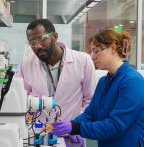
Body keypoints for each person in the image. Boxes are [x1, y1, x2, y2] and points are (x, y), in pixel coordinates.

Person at [52, 29, 144, 147]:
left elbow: (116, 126)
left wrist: (76, 128)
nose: (92, 57)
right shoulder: (104, 82)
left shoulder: (132, 82)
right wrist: (71, 125)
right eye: (91, 52)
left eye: (96, 51)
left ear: (113, 48)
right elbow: (90, 114)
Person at [17, 19, 97, 147]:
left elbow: (91, 100)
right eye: (32, 42)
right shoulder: (27, 64)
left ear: (55, 37)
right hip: (39, 136)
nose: (37, 46)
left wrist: (76, 126)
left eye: (41, 39)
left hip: (72, 136)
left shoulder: (83, 60)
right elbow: (19, 100)